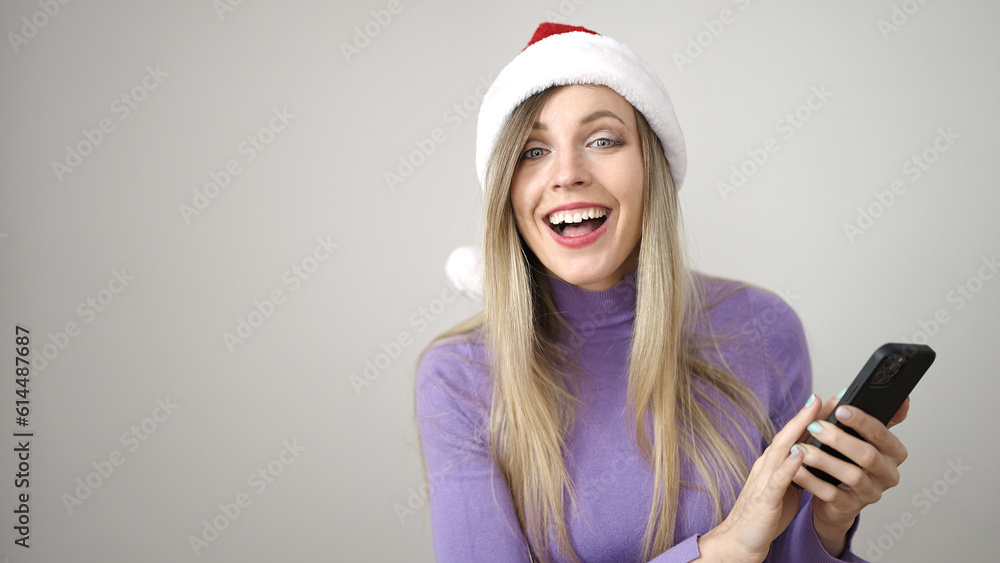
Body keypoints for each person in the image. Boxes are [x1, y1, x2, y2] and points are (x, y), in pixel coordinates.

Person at [416, 23, 908, 563]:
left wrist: (827, 523)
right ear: (507, 192)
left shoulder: (763, 326)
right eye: (533, 151)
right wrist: (719, 550)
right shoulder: (460, 377)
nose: (567, 174)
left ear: (653, 167)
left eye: (602, 140)